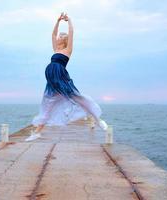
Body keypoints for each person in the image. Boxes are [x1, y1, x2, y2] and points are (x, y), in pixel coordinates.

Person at [25, 12, 108, 142]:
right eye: (57, 37)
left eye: (59, 37)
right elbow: (52, 34)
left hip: (61, 78)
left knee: (78, 98)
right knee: (48, 104)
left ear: (63, 40)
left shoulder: (67, 50)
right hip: (52, 81)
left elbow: (71, 33)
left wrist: (68, 20)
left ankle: (98, 119)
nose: (57, 38)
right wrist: (58, 21)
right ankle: (37, 132)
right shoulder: (55, 49)